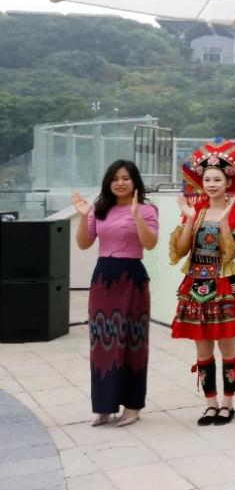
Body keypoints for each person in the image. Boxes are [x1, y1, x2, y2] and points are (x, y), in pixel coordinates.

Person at [169, 138, 235, 426]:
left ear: (227, 182)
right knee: (202, 349)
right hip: (196, 284)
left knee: (227, 346)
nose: (211, 184)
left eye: (217, 179)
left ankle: (228, 404)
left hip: (223, 284)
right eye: (207, 179)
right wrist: (188, 218)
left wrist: (224, 221)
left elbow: (232, 252)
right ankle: (210, 404)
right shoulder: (196, 210)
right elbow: (180, 250)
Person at [71, 161, 158, 428]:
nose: (120, 183)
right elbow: (84, 243)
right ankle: (104, 406)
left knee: (133, 342)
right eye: (115, 178)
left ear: (135, 182)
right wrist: (84, 216)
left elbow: (150, 243)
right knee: (102, 343)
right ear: (108, 182)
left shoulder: (147, 209)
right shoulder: (100, 209)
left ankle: (132, 407)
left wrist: (137, 216)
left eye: (126, 178)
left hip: (132, 277)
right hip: (103, 278)